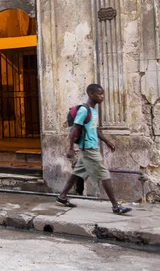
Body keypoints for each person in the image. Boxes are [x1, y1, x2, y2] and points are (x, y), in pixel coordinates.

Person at [56, 84, 132, 214]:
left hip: (91, 147)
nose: (102, 97)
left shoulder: (93, 111)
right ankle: (115, 206)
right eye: (99, 94)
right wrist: (70, 148)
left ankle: (62, 196)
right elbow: (75, 129)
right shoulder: (84, 110)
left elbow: (95, 129)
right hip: (89, 149)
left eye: (102, 94)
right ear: (91, 94)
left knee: (77, 172)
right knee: (104, 174)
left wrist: (107, 141)